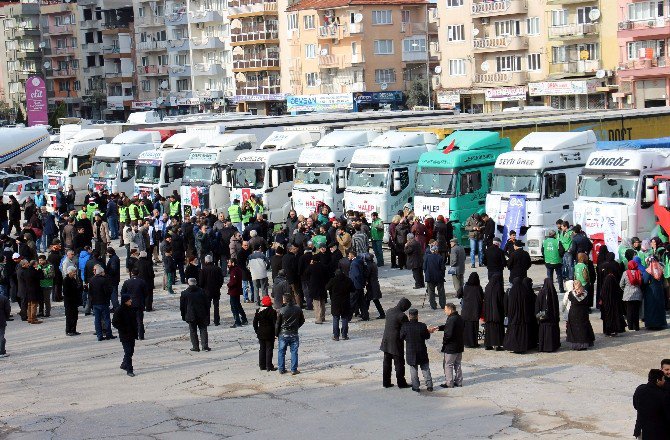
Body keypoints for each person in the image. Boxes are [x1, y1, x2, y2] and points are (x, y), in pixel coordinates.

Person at [380, 297, 412, 389]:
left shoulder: (389, 311)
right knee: (399, 363)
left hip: (386, 342)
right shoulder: (402, 316)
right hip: (396, 343)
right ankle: (401, 383)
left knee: (386, 363)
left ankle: (386, 382)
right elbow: (407, 329)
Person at [399, 309, 434, 392]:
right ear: (417, 316)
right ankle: (429, 386)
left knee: (413, 369)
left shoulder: (405, 326)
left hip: (411, 351)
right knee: (425, 368)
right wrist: (428, 331)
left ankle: (416, 387)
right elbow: (427, 336)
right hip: (421, 350)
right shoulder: (422, 326)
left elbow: (401, 337)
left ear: (409, 316)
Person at [633, 369, 670, 440]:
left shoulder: (640, 389)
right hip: (658, 433)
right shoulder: (663, 395)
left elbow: (635, 405)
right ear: (657, 380)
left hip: (641, 429)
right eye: (663, 379)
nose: (664, 381)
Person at [275, 293, 305, 375]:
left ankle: (281, 369)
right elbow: (302, 320)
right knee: (294, 351)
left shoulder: (282, 310)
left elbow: (278, 323)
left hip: (283, 333)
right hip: (294, 333)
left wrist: (276, 334)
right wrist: (296, 327)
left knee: (281, 351)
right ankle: (293, 369)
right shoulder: (298, 309)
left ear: (285, 300)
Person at [437, 303, 464, 388]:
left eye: (445, 310)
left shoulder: (451, 319)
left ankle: (449, 383)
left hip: (451, 347)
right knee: (458, 364)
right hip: (459, 345)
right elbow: (448, 327)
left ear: (450, 310)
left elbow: (448, 334)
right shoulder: (459, 317)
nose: (444, 311)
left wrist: (444, 343)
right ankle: (459, 382)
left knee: (448, 364)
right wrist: (438, 328)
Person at [561, 280, 595, 350]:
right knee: (583, 328)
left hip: (574, 313)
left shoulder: (571, 294)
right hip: (583, 313)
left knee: (575, 329)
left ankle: (576, 345)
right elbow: (587, 301)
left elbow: (568, 300)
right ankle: (584, 344)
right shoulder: (585, 293)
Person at [179, 278, 211, 352]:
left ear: (188, 283)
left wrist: (184, 316)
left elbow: (182, 307)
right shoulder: (202, 291)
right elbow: (207, 304)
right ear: (196, 283)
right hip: (201, 314)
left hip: (190, 315)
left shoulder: (184, 293)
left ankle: (195, 347)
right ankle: (205, 346)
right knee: (203, 329)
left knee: (193, 331)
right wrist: (207, 314)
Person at [112, 295, 138, 377]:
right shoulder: (119, 310)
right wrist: (123, 329)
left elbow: (135, 320)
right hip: (124, 334)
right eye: (129, 300)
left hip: (132, 333)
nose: (131, 301)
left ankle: (124, 364)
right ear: (125, 301)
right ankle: (129, 370)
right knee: (128, 351)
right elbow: (115, 323)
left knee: (131, 351)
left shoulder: (131, 308)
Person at [503, 277, 532, 354]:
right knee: (522, 332)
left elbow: (508, 305)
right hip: (523, 316)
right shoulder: (524, 291)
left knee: (514, 331)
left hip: (513, 317)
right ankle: (522, 347)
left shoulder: (511, 292)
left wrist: (508, 314)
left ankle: (514, 347)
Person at [120, 268, 148, 340]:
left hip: (130, 304)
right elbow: (146, 293)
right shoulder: (142, 282)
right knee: (140, 321)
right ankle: (141, 336)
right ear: (138, 273)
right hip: (139, 303)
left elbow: (122, 293)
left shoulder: (127, 282)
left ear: (131, 273)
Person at [457, 272, 483, 348]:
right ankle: (473, 343)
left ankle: (465, 342)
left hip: (466, 311)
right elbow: (482, 297)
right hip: (475, 311)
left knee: (466, 328)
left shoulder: (465, 287)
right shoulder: (479, 288)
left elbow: (458, 295)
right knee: (474, 327)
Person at [89, 265, 115, 341]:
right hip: (103, 302)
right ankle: (108, 334)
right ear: (101, 272)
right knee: (106, 318)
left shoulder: (91, 280)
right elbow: (107, 291)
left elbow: (90, 292)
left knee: (97, 319)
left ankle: (99, 335)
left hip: (95, 302)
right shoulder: (104, 280)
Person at [327, 269, 353, 341]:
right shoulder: (348, 280)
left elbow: (326, 287)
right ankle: (344, 335)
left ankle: (336, 336)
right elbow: (353, 289)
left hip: (335, 302)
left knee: (336, 318)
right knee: (344, 318)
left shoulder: (333, 280)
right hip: (345, 302)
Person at [642, 257, 668, 330]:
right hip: (659, 290)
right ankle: (660, 323)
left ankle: (652, 324)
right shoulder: (660, 269)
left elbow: (645, 281)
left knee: (651, 307)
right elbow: (663, 280)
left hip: (651, 291)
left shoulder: (648, 271)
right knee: (659, 306)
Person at [535, 278, 561, 352]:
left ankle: (544, 347)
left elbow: (538, 304)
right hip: (552, 318)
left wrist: (537, 314)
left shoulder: (541, 292)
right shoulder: (553, 292)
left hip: (544, 318)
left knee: (544, 333)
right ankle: (553, 346)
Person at [253, 295, 277, 371]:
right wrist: (276, 333)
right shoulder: (272, 311)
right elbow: (275, 323)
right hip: (270, 333)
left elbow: (254, 323)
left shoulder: (258, 311)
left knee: (262, 349)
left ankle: (262, 365)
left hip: (261, 332)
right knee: (269, 349)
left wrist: (257, 331)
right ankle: (269, 366)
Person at [199, 255, 224, 326]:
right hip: (216, 290)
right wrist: (219, 286)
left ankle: (207, 321)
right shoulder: (217, 269)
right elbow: (221, 280)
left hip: (206, 291)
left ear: (206, 261)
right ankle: (216, 321)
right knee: (216, 306)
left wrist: (203, 288)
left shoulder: (203, 270)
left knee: (207, 306)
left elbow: (201, 282)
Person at [483, 274, 505, 351]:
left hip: (488, 313)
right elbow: (501, 299)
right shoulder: (498, 287)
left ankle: (488, 344)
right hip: (497, 312)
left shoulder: (487, 287)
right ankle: (497, 345)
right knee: (497, 328)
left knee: (489, 329)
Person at [600, 273, 626, 337]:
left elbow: (601, 297)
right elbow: (620, 294)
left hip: (607, 307)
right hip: (615, 306)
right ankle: (615, 330)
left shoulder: (604, 289)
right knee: (615, 317)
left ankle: (608, 331)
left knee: (607, 318)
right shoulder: (616, 288)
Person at [620, 260, 643, 331]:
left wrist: (625, 289)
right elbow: (641, 283)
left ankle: (630, 326)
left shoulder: (625, 273)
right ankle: (636, 327)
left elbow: (621, 284)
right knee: (636, 311)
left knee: (629, 311)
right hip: (637, 294)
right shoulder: (639, 272)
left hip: (628, 295)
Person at [423, 244, 446, 310]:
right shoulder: (440, 257)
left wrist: (426, 274)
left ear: (431, 251)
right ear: (437, 251)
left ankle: (433, 306)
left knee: (431, 292)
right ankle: (442, 305)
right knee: (441, 292)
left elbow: (424, 267)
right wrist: (442, 276)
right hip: (439, 277)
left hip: (430, 277)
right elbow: (443, 268)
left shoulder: (427, 257)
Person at [227, 258, 248, 327]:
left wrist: (229, 284)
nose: (228, 264)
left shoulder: (234, 270)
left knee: (234, 307)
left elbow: (234, 281)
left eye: (229, 263)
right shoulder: (238, 269)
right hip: (237, 290)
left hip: (234, 291)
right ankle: (244, 319)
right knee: (238, 305)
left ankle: (237, 321)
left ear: (233, 263)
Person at [62, 266, 82, 336]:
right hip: (69, 302)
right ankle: (68, 330)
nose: (75, 274)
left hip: (74, 301)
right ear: (70, 272)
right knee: (69, 316)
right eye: (74, 272)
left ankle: (73, 329)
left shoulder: (73, 279)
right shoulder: (66, 280)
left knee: (75, 316)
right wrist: (76, 289)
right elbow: (66, 292)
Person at [0, 292, 10, 357]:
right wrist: (6, 317)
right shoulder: (4, 298)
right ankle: (2, 351)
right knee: (1, 336)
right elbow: (7, 310)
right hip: (1, 319)